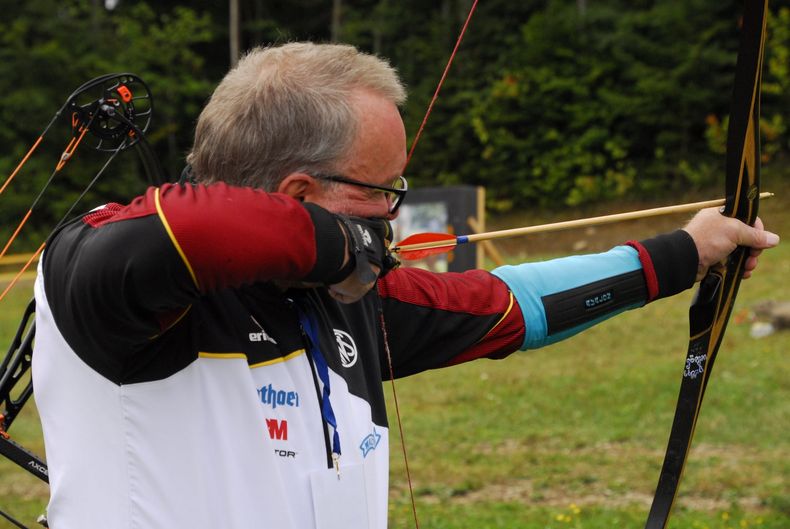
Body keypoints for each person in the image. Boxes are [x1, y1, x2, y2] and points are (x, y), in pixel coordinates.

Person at [31, 42, 779, 529]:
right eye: (383, 190)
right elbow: (183, 232)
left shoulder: (347, 301)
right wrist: (336, 242)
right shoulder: (111, 287)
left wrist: (685, 252)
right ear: (298, 191)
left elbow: (513, 304)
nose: (393, 212)